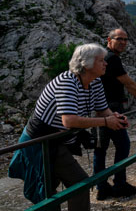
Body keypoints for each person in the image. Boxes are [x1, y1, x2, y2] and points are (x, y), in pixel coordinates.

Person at [9, 44, 128, 211]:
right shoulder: (67, 81)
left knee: (71, 185)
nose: (106, 63)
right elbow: (69, 121)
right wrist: (106, 122)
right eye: (101, 60)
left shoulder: (95, 82)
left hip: (59, 141)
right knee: (48, 190)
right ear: (86, 64)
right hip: (40, 142)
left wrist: (115, 117)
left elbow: (102, 110)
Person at [93, 29, 136, 200]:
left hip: (97, 109)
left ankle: (102, 186)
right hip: (111, 108)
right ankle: (119, 184)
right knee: (123, 145)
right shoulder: (112, 59)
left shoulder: (102, 57)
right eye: (119, 39)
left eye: (125, 39)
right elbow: (129, 83)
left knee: (100, 149)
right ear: (109, 40)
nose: (123, 42)